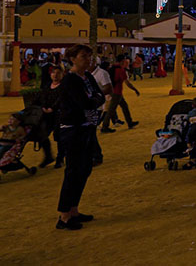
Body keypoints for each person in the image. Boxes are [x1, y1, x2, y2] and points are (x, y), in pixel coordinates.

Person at [56, 44, 105, 230]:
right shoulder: (70, 80)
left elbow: (99, 96)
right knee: (73, 171)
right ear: (73, 58)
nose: (88, 59)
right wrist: (93, 102)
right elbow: (85, 103)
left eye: (89, 56)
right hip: (73, 129)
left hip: (86, 128)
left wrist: (93, 103)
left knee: (84, 170)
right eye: (84, 56)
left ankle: (74, 209)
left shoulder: (88, 77)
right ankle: (64, 215)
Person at [101, 55, 140, 133]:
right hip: (117, 92)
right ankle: (105, 127)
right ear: (122, 61)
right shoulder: (121, 70)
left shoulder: (112, 68)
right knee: (111, 110)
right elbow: (127, 83)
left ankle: (130, 122)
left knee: (124, 106)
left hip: (114, 91)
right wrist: (135, 89)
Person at [36, 64, 64, 168]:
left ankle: (60, 159)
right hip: (46, 115)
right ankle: (48, 156)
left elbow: (62, 99)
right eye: (53, 73)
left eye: (58, 73)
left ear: (62, 74)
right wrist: (43, 107)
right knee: (42, 135)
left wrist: (53, 108)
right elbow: (41, 97)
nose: (55, 75)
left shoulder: (64, 87)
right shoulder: (47, 86)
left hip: (59, 115)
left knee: (59, 137)